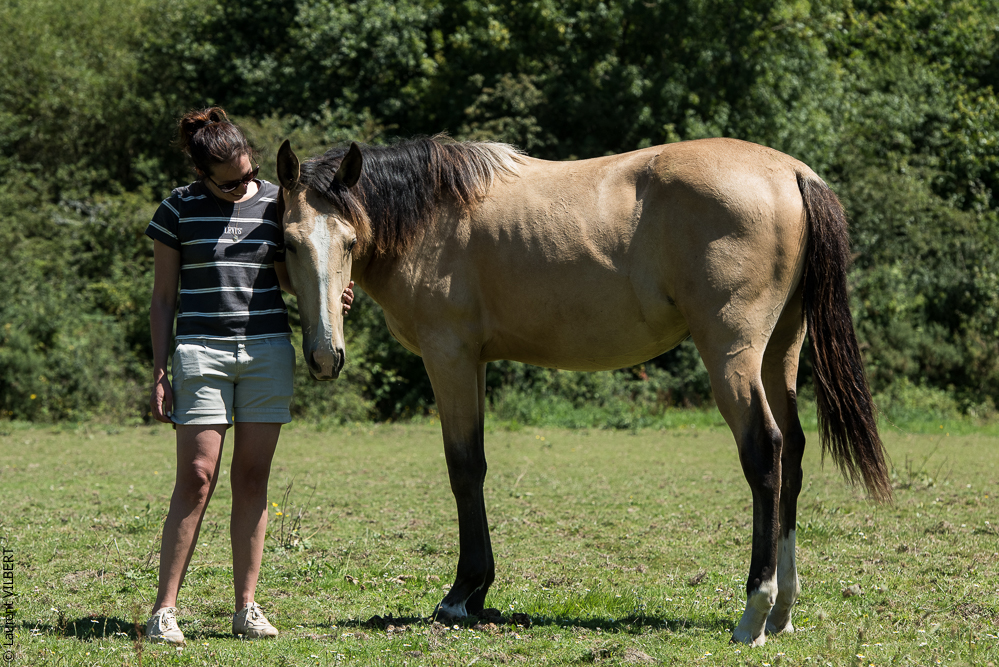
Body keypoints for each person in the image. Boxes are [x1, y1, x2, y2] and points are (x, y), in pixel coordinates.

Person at [144, 107, 352, 645]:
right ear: (203, 174)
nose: (245, 185)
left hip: (266, 351)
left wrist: (333, 296)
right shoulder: (178, 209)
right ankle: (164, 609)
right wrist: (159, 369)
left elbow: (291, 273)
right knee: (197, 476)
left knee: (252, 480)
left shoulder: (273, 201)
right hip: (200, 352)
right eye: (231, 180)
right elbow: (164, 297)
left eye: (249, 172)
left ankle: (246, 608)